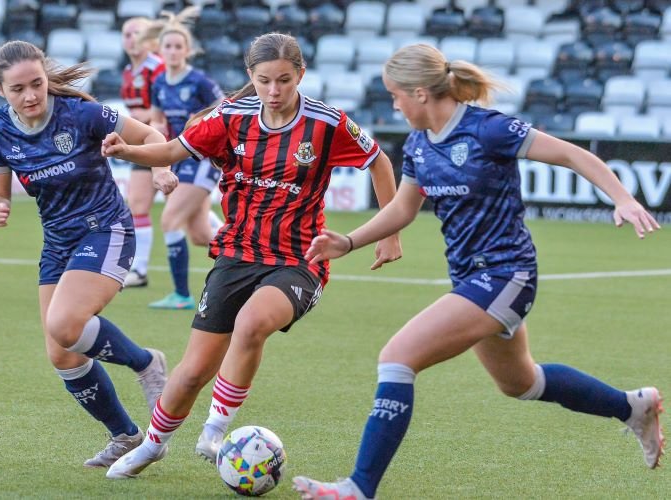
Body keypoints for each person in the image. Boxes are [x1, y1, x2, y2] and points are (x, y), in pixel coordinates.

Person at [291, 43, 665, 500]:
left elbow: (573, 155)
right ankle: (632, 406)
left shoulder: (489, 129)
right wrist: (348, 242)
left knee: (397, 357)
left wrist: (623, 198)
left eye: (396, 95)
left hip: (508, 274)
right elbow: (404, 209)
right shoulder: (417, 144)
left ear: (421, 93)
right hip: (471, 278)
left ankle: (358, 488)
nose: (393, 104)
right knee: (521, 383)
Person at [100, 32, 403, 479]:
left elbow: (379, 161)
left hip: (301, 257)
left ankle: (215, 431)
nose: (275, 91)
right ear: (251, 77)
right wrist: (128, 151)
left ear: (301, 74)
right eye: (264, 81)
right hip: (237, 253)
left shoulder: (327, 123)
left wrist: (389, 232)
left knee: (252, 323)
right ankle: (151, 445)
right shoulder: (229, 117)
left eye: (284, 80)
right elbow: (170, 150)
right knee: (189, 373)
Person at [0, 40, 178, 468]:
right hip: (58, 241)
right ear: (0, 90)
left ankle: (146, 365)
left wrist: (159, 167)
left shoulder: (81, 114)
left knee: (65, 324)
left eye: (37, 83)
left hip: (106, 229)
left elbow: (150, 135)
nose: (31, 95)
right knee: (62, 352)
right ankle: (125, 435)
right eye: (18, 89)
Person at [146, 9, 225, 310]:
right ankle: (250, 255)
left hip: (203, 159)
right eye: (169, 46)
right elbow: (156, 121)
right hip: (179, 158)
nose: (174, 51)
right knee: (200, 235)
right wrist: (154, 143)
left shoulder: (200, 82)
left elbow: (223, 111)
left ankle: (181, 295)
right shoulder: (160, 84)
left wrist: (203, 129)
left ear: (188, 50)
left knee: (169, 220)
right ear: (161, 49)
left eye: (179, 46)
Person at [120, 16, 166, 288]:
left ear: (150, 39)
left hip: (168, 141)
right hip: (144, 144)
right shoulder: (128, 71)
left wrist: (146, 114)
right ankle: (138, 270)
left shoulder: (158, 67)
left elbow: (167, 102)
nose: (131, 38)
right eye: (126, 34)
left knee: (186, 213)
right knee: (137, 203)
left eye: (137, 33)